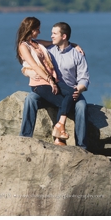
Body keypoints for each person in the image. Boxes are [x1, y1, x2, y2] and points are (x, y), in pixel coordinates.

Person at [22, 22, 91, 149]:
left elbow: (84, 78)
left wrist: (79, 89)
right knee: (31, 99)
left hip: (71, 91)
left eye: (54, 34)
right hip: (49, 89)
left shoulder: (77, 55)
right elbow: (30, 50)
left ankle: (82, 147)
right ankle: (25, 138)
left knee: (82, 106)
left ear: (63, 36)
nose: (51, 36)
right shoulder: (47, 50)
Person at [15, 16, 73, 147]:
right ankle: (57, 138)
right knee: (61, 102)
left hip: (52, 80)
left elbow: (56, 42)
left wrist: (75, 45)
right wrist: (49, 80)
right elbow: (34, 66)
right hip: (40, 83)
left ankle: (59, 126)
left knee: (72, 92)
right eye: (37, 29)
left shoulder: (36, 43)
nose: (39, 32)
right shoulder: (23, 46)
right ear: (30, 29)